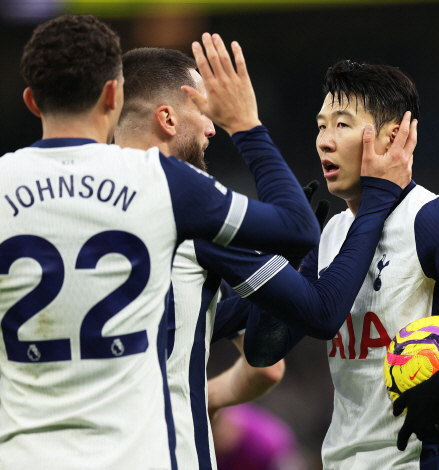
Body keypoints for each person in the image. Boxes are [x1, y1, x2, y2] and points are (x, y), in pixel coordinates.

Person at [0, 16, 322, 469]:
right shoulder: (162, 183)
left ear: (32, 102)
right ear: (113, 96)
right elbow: (299, 228)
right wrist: (247, 124)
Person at [114, 45, 417, 469]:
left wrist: (280, 267)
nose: (211, 128)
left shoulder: (59, 205)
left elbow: (220, 331)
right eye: (205, 112)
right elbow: (321, 310)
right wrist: (244, 123)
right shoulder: (184, 203)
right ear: (167, 118)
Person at [237, 60, 439, 470]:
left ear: (392, 137)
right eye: (321, 126)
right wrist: (284, 256)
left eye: (342, 125)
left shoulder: (430, 219)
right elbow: (265, 349)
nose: (324, 142)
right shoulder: (333, 233)